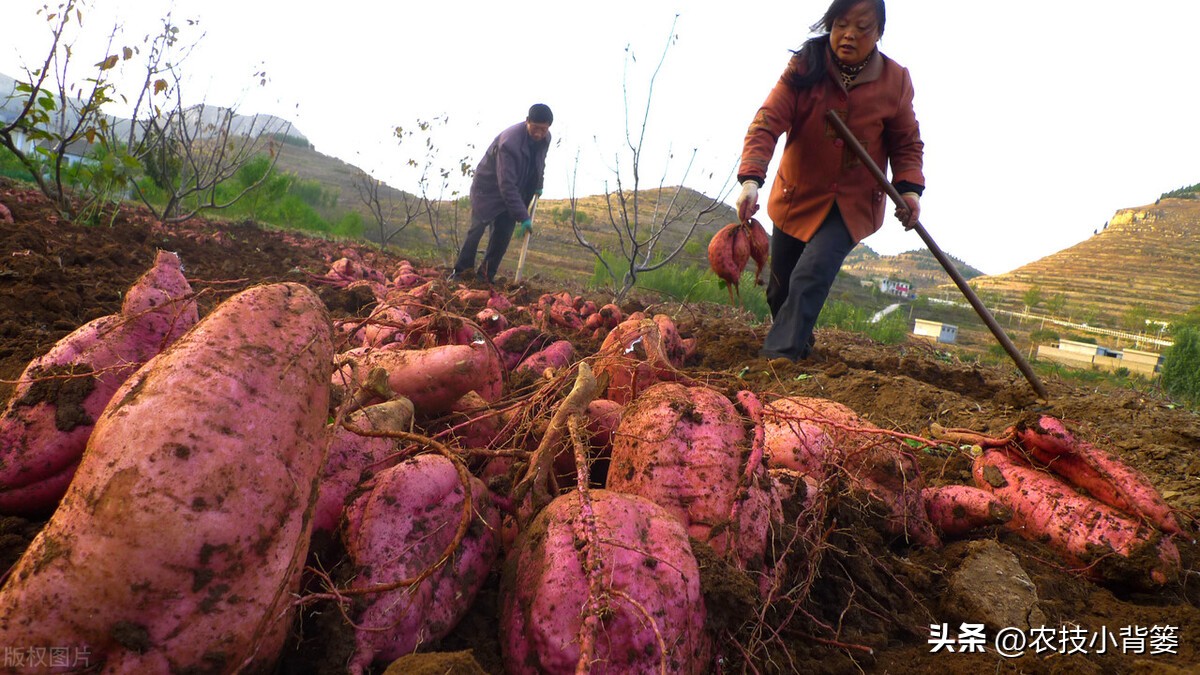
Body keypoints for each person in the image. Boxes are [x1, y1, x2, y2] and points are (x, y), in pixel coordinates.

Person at [733, 0, 923, 361]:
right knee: (780, 290)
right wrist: (751, 179)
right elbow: (767, 121)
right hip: (797, 195)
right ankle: (800, 346)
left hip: (851, 205)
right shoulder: (806, 65)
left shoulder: (895, 81)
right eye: (840, 24)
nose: (848, 34)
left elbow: (907, 143)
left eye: (862, 27)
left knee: (810, 276)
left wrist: (909, 190)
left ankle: (776, 361)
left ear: (879, 33)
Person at [451, 103, 553, 284]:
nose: (539, 134)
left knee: (503, 234)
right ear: (527, 121)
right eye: (535, 128)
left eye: (543, 130)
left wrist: (539, 183)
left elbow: (540, 163)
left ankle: (485, 278)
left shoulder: (545, 138)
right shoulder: (510, 142)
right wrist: (523, 216)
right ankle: (461, 273)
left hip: (516, 190)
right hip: (488, 189)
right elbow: (506, 184)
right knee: (477, 228)